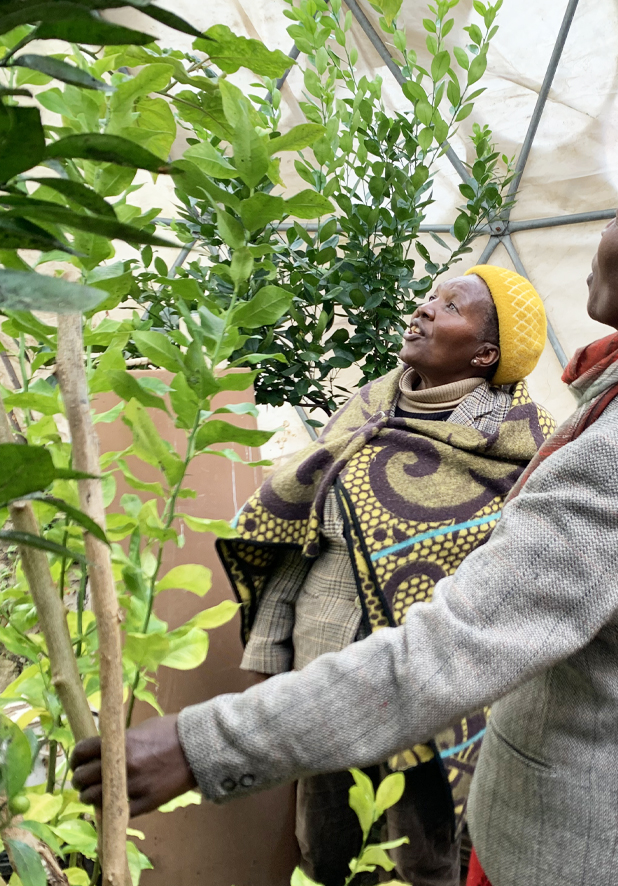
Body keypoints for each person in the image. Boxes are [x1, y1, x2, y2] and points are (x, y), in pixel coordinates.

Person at [73, 140, 618, 886]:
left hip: (604, 845)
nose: (598, 240)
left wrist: (200, 744)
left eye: (616, 220)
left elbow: (448, 652)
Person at [209, 265, 553, 886]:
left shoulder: (526, 448)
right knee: (326, 848)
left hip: (433, 692)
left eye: (449, 305)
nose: (423, 309)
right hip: (327, 673)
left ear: (485, 353)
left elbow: (524, 588)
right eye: (429, 295)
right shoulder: (369, 405)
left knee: (423, 855)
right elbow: (298, 536)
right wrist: (268, 650)